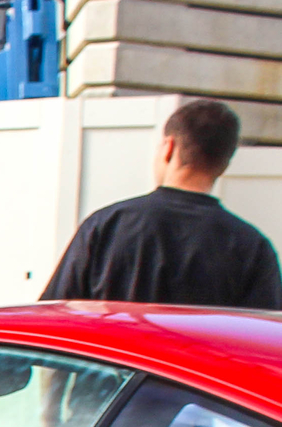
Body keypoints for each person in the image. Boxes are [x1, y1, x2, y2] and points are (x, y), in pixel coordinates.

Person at [43, 98, 282, 307]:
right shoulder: (252, 248)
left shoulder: (106, 226)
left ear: (169, 148)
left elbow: (52, 316)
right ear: (225, 164)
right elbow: (263, 337)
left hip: (111, 359)